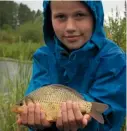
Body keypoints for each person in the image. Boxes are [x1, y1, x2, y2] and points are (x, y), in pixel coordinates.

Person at [17, 1, 126, 131]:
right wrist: (37, 124)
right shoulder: (43, 57)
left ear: (95, 16)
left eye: (79, 15)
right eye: (61, 16)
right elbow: (37, 95)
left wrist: (85, 117)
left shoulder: (114, 58)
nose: (70, 27)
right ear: (49, 19)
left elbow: (111, 117)